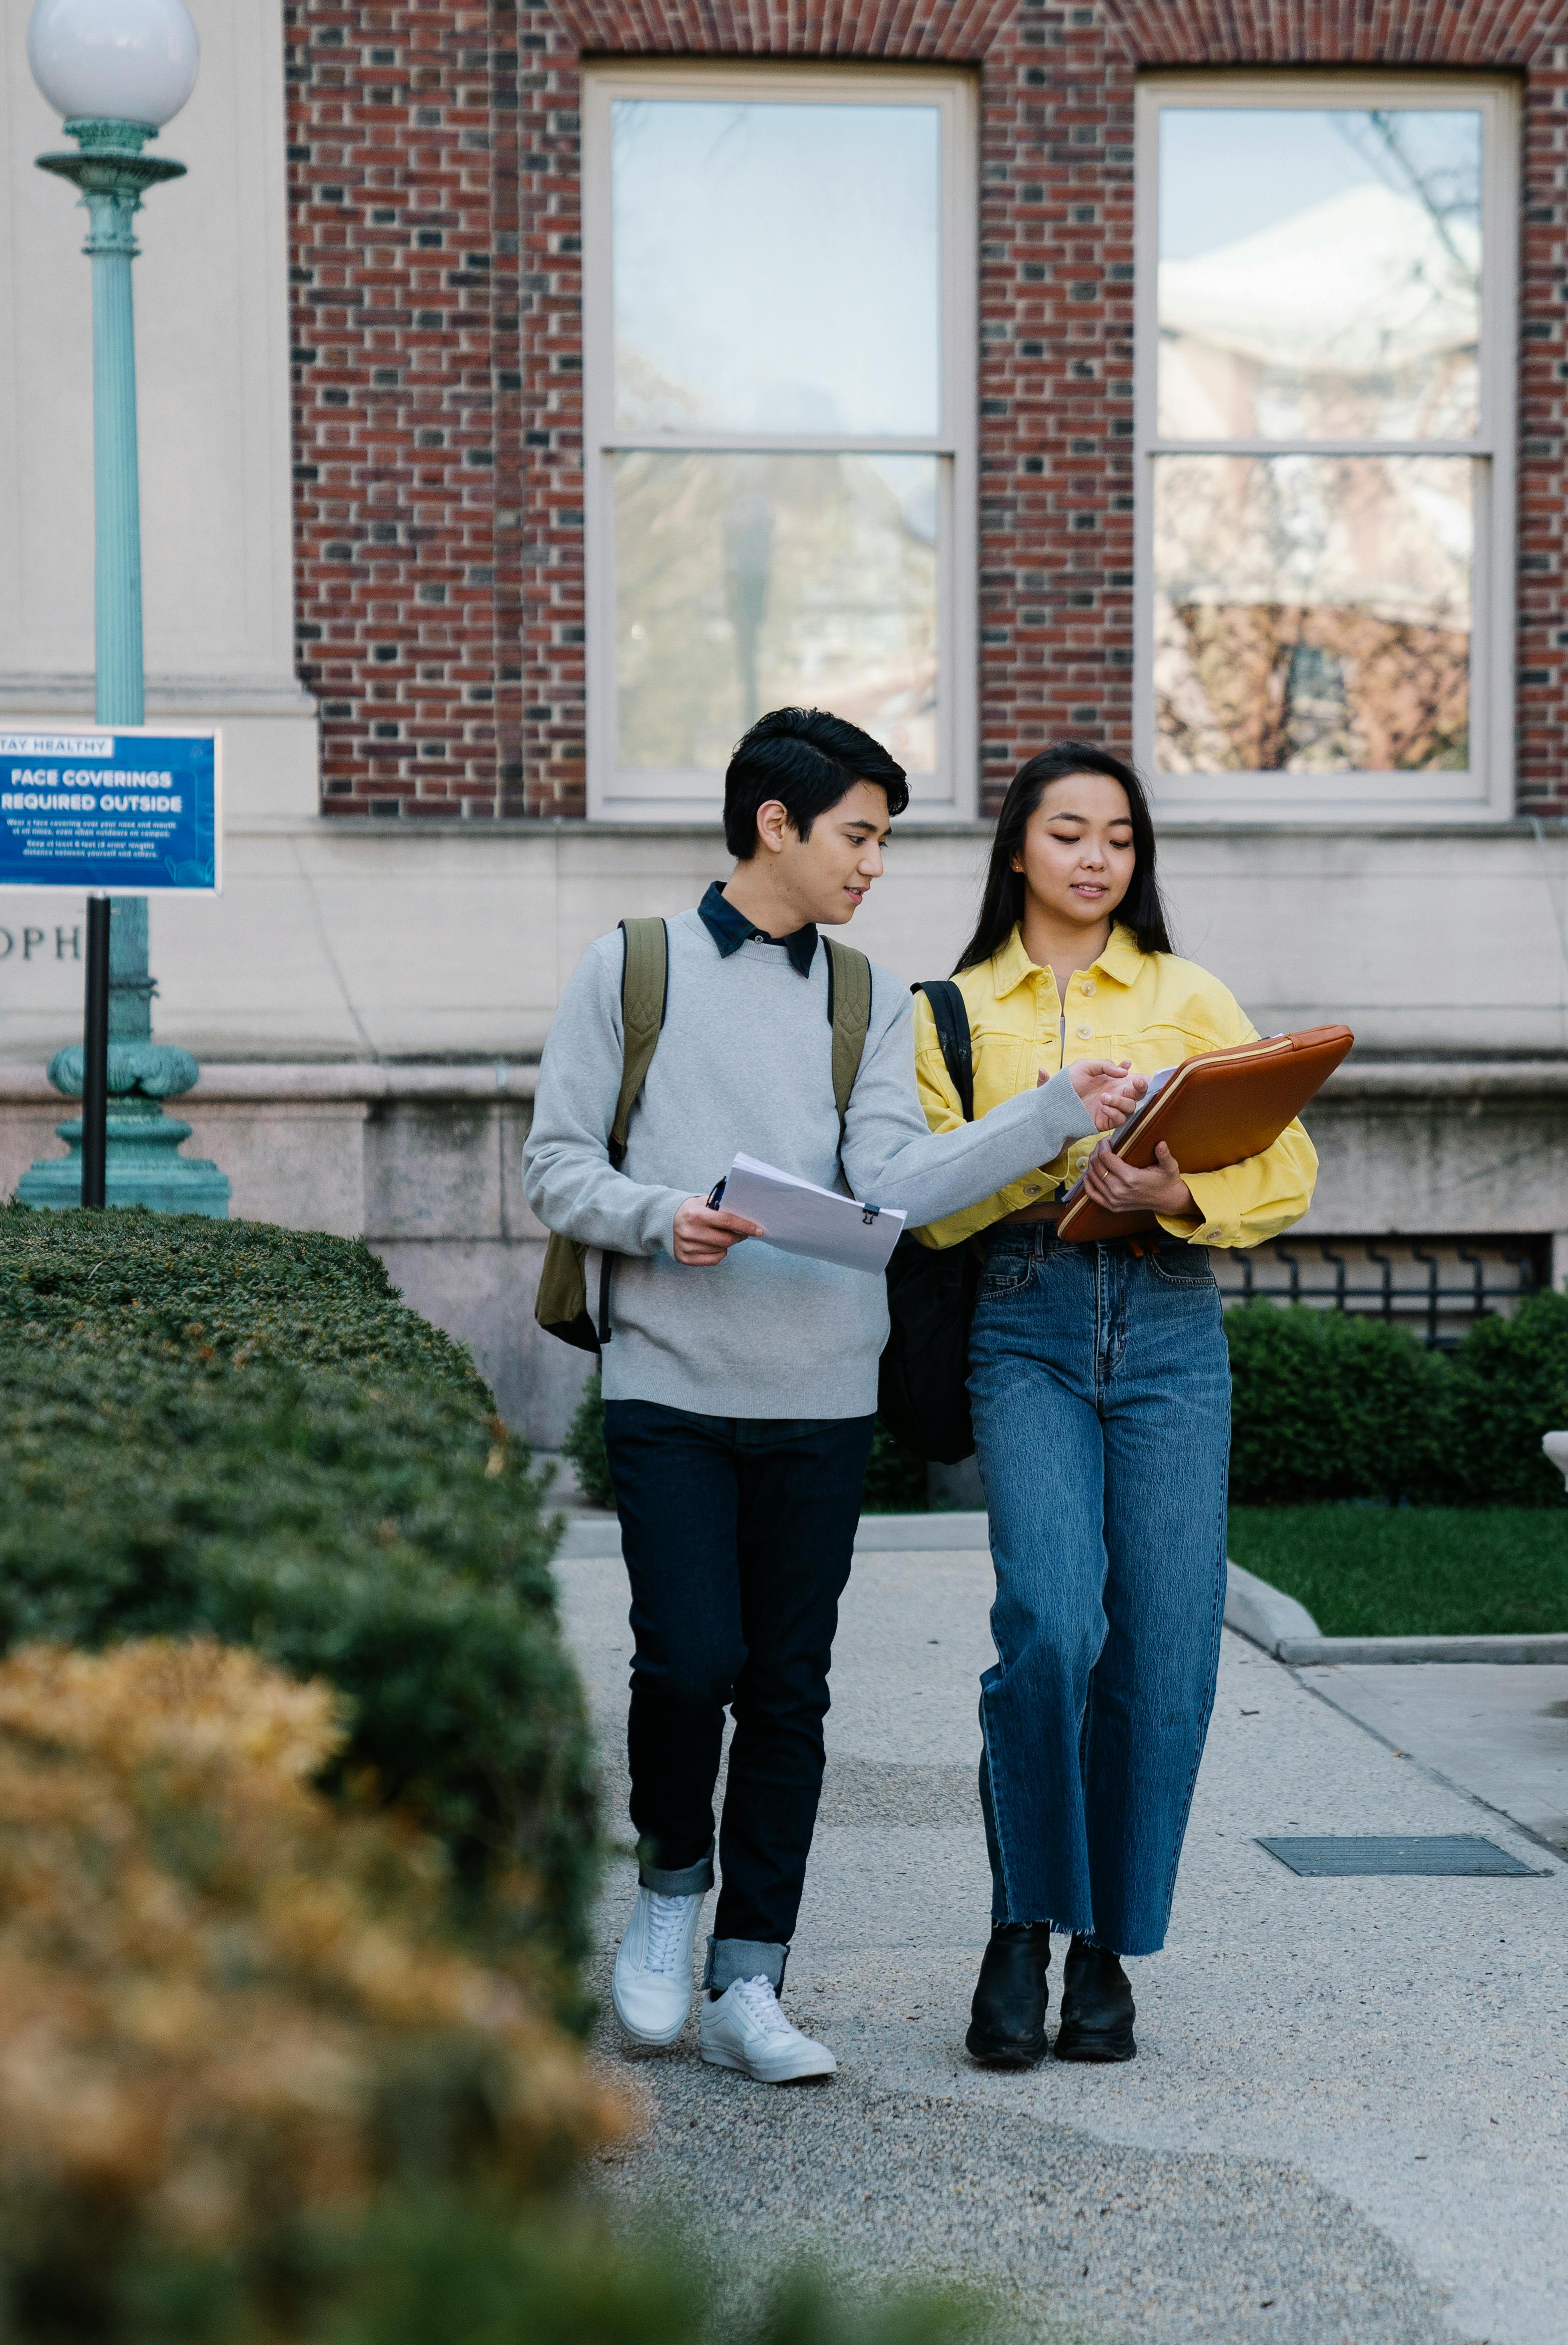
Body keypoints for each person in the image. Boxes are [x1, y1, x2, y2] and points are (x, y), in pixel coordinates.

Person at [523, 708, 1142, 2087]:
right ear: (776, 826)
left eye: (883, 840)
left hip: (821, 1397)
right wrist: (654, 1215)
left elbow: (899, 1192)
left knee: (790, 1691)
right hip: (671, 1383)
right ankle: (671, 1883)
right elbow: (556, 1165)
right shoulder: (632, 967)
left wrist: (1052, 1114)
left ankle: (753, 1975)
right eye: (860, 835)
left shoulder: (866, 997)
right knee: (689, 1664)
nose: (874, 864)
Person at [912, 741, 1318, 2069]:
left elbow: (1288, 1160)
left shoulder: (1189, 994)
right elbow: (924, 1202)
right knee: (1048, 1623)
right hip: (1023, 1318)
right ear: (1017, 849)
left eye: (1121, 838)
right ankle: (1019, 1920)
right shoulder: (954, 1013)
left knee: (1163, 1656)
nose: (1097, 859)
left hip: (1168, 1328)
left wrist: (1181, 1193)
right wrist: (1048, 1128)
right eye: (1070, 832)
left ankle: (1101, 1951)